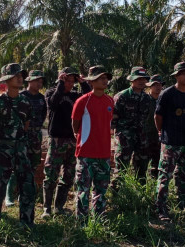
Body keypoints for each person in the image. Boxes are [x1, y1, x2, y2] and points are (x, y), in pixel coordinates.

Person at [0, 63, 36, 244]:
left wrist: (18, 142)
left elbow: (26, 125)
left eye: (21, 75)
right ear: (6, 80)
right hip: (3, 149)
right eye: (16, 76)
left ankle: (27, 224)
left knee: (28, 185)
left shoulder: (25, 102)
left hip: (21, 148)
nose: (20, 78)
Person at [154, 62, 185, 222]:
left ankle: (184, 206)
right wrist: (162, 133)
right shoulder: (167, 94)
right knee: (165, 176)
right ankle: (161, 209)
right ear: (176, 76)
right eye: (184, 73)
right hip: (171, 142)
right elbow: (158, 117)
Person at [43, 67, 91, 216]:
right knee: (51, 174)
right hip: (56, 140)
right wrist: (60, 84)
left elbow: (89, 98)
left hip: (72, 139)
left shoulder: (76, 96)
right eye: (67, 80)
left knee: (68, 175)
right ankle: (47, 208)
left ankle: (59, 207)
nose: (70, 84)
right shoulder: (52, 92)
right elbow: (53, 103)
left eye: (72, 81)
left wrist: (83, 83)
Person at [71, 66, 115, 217]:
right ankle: (82, 223)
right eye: (101, 78)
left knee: (101, 189)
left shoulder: (110, 100)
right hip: (86, 154)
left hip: (104, 154)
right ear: (92, 81)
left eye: (105, 78)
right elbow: (75, 125)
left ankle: (99, 220)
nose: (104, 81)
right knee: (83, 189)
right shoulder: (83, 101)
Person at [6, 69, 47, 206]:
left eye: (41, 81)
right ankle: (10, 195)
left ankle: (25, 194)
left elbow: (43, 115)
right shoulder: (22, 96)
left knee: (34, 164)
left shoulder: (41, 98)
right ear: (29, 81)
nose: (39, 83)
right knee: (17, 164)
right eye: (37, 80)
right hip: (21, 134)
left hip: (36, 134)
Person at [111, 66, 151, 186]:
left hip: (141, 137)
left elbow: (147, 117)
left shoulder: (146, 98)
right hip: (125, 137)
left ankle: (140, 194)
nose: (141, 81)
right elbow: (113, 117)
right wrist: (116, 135)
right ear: (132, 80)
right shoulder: (122, 96)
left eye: (143, 79)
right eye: (138, 78)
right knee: (121, 167)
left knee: (142, 167)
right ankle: (116, 196)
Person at [143, 75, 163, 179]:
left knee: (157, 164)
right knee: (142, 163)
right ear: (150, 86)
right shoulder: (144, 99)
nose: (158, 87)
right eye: (155, 85)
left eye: (159, 85)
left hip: (159, 136)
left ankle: (154, 184)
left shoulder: (164, 100)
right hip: (146, 136)